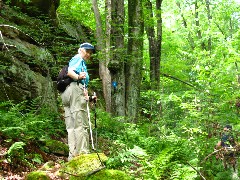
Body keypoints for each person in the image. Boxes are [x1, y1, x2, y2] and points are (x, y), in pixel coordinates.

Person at [60, 42, 96, 161]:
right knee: (80, 124)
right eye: (87, 51)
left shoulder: (77, 60)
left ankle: (73, 156)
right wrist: (78, 77)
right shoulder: (78, 58)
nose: (88, 54)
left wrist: (88, 97)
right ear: (80, 50)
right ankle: (83, 154)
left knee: (71, 126)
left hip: (67, 93)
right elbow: (71, 72)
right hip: (74, 90)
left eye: (90, 53)